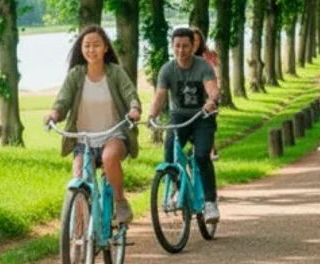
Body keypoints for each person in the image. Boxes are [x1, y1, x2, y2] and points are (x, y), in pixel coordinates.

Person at [45, 26, 142, 225]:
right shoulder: (76, 74)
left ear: (105, 48)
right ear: (81, 49)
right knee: (78, 179)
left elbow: (130, 94)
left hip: (113, 136)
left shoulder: (115, 73)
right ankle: (78, 234)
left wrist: (134, 109)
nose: (91, 50)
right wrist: (54, 114)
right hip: (84, 140)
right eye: (87, 45)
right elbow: (62, 101)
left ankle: (120, 202)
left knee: (109, 157)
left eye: (96, 45)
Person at [149, 26, 221, 224]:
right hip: (179, 117)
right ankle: (176, 186)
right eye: (177, 46)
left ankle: (210, 201)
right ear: (173, 47)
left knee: (201, 156)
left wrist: (211, 101)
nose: (181, 50)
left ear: (193, 46)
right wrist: (151, 116)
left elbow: (212, 89)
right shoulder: (167, 69)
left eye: (185, 46)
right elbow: (160, 96)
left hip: (202, 117)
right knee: (170, 150)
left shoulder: (203, 66)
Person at [192, 26, 222, 161]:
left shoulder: (207, 56)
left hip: (208, 92)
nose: (194, 43)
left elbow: (215, 76)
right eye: (192, 40)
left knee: (208, 118)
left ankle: (212, 147)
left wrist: (213, 94)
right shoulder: (186, 57)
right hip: (193, 94)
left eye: (197, 40)